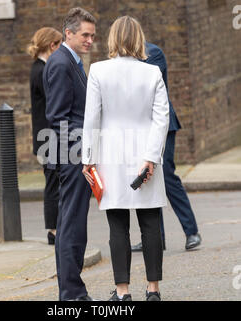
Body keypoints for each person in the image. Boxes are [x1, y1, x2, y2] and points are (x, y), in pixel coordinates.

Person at [82, 16, 169, 301]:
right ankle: (153, 290)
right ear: (139, 39)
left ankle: (123, 292)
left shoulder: (98, 70)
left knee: (117, 225)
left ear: (113, 39)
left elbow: (92, 119)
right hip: (145, 156)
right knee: (150, 223)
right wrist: (151, 158)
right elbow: (161, 119)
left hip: (112, 156)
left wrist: (88, 159)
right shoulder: (153, 73)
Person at [43, 7, 96, 301]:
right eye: (85, 35)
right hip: (72, 156)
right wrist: (80, 154)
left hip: (75, 154)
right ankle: (72, 294)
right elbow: (59, 117)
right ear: (69, 33)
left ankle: (72, 291)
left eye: (92, 36)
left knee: (73, 224)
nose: (90, 40)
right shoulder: (62, 63)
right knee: (71, 225)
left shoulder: (71, 61)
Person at [131, 42, 202, 252]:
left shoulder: (153, 53)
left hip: (163, 125)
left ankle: (192, 232)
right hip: (140, 127)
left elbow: (144, 86)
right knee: (147, 177)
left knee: (168, 176)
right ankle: (155, 238)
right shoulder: (123, 60)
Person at [27, 27, 62, 245]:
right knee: (53, 183)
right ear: (52, 45)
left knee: (54, 181)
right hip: (47, 138)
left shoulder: (39, 68)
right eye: (59, 45)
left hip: (44, 137)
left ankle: (55, 228)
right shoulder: (42, 71)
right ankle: (54, 231)